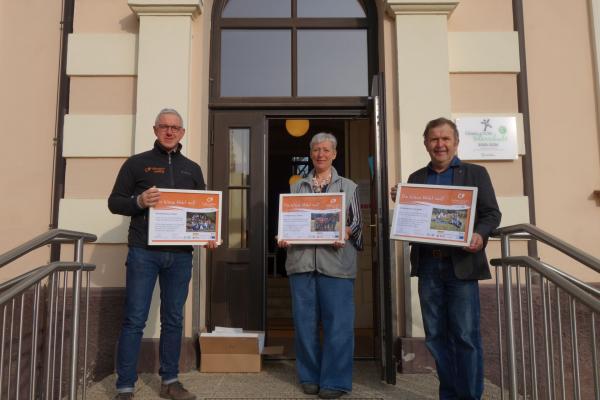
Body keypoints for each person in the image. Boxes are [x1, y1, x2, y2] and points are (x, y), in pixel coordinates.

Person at [108, 108, 216, 400]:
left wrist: (208, 234)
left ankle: (170, 381)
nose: (170, 132)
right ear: (155, 130)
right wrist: (139, 200)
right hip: (144, 252)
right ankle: (125, 386)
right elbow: (115, 202)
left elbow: (203, 211)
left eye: (175, 128)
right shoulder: (136, 164)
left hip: (180, 256)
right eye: (164, 127)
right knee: (134, 319)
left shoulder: (192, 169)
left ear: (182, 133)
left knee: (173, 319)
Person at [391, 117, 501, 399]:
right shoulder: (417, 179)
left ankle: (470, 396)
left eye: (445, 139)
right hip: (428, 266)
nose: (440, 145)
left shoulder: (475, 173)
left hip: (461, 266)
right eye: (434, 139)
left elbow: (491, 214)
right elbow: (414, 220)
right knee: (436, 337)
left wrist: (479, 234)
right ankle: (450, 395)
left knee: (465, 337)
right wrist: (403, 201)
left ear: (455, 142)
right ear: (426, 143)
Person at [278, 133, 363, 399]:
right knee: (304, 323)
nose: (320, 154)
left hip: (337, 264)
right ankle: (309, 376)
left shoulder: (349, 186)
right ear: (311, 153)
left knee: (338, 324)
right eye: (316, 150)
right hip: (301, 263)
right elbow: (289, 221)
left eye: (326, 150)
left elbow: (358, 224)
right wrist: (283, 236)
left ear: (335, 154)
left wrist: (344, 233)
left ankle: (335, 381)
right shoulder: (296, 187)